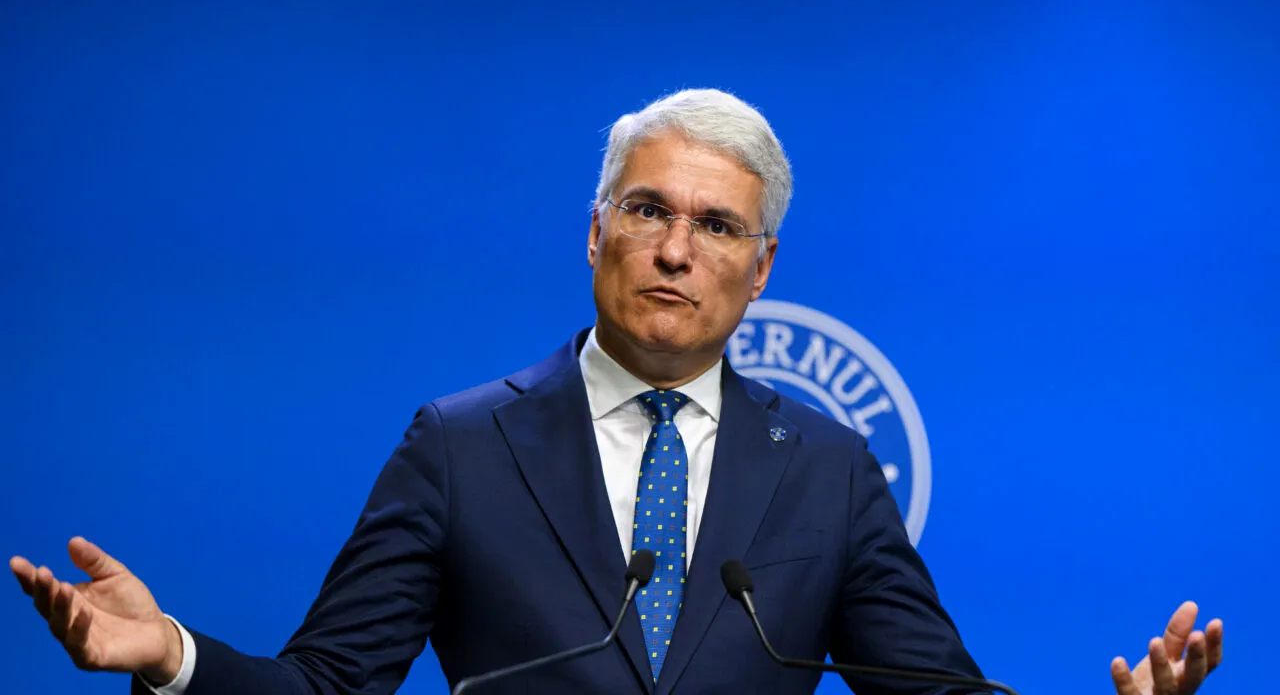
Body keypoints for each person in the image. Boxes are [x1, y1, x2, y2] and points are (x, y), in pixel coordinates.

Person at [11, 89, 1223, 695]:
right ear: (594, 233)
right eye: (647, 211)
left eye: (715, 226)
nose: (675, 250)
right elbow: (325, 686)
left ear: (760, 269)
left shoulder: (829, 470)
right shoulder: (458, 447)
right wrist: (170, 654)